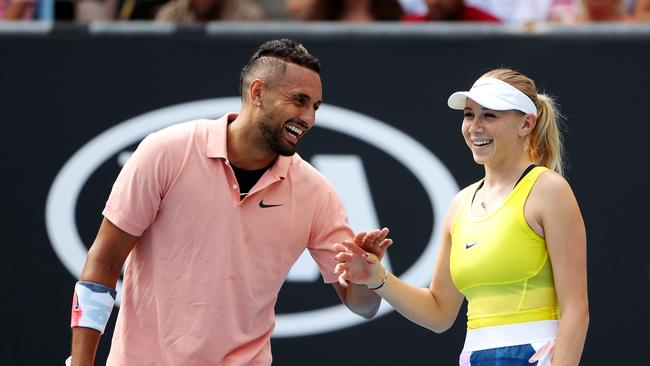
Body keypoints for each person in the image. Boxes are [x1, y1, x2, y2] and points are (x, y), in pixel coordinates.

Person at [67, 38, 393, 366]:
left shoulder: (316, 192)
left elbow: (362, 306)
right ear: (257, 92)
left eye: (315, 107)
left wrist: (367, 277)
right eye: (299, 100)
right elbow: (104, 263)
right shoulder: (165, 152)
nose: (308, 117)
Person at [335, 68, 589, 365]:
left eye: (489, 116)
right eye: (469, 115)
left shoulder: (549, 190)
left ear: (526, 124)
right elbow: (439, 312)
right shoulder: (460, 204)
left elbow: (576, 310)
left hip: (536, 355)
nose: (475, 127)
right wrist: (378, 278)